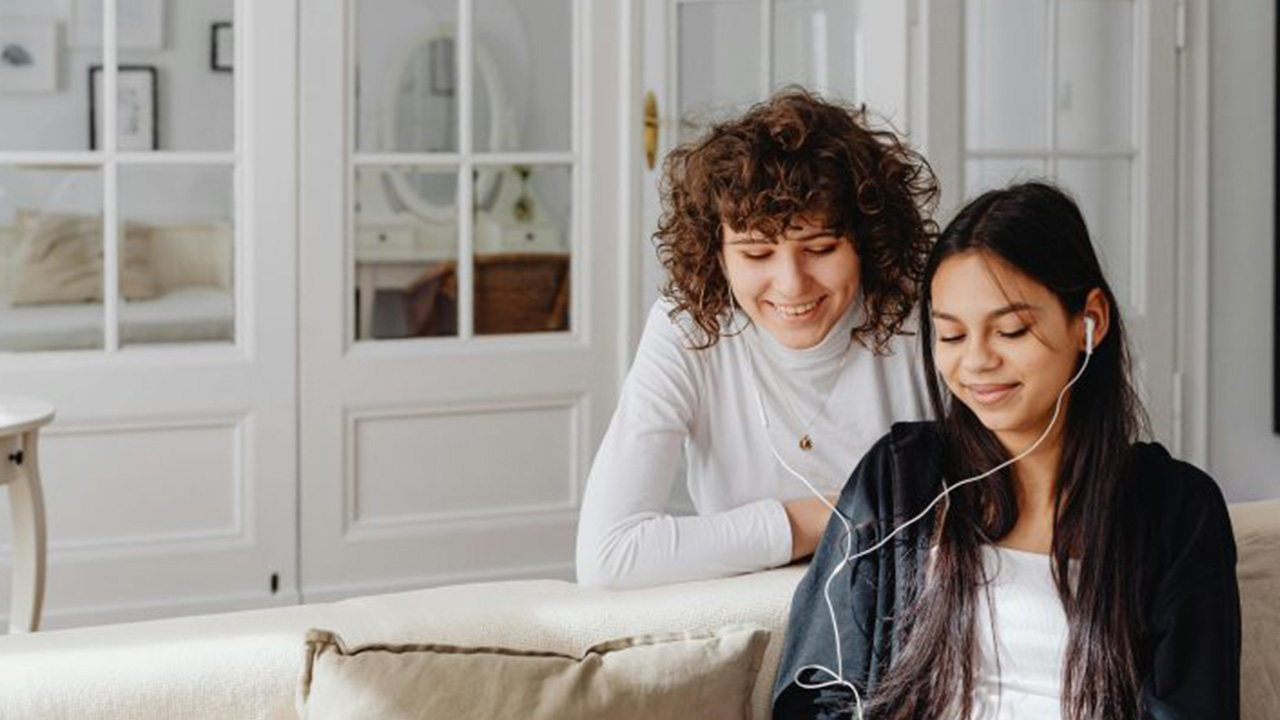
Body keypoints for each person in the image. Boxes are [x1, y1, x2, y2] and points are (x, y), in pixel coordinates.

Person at [773, 182, 1241, 719]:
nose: (975, 363)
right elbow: (810, 696)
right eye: (950, 337)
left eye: (1011, 331)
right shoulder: (900, 478)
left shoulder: (1178, 511)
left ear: (1090, 321)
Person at [575, 90, 938, 588]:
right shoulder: (688, 327)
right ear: (717, 254)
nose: (792, 284)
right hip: (750, 624)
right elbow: (607, 556)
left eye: (821, 247)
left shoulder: (924, 317)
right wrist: (846, 513)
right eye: (756, 254)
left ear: (867, 243)